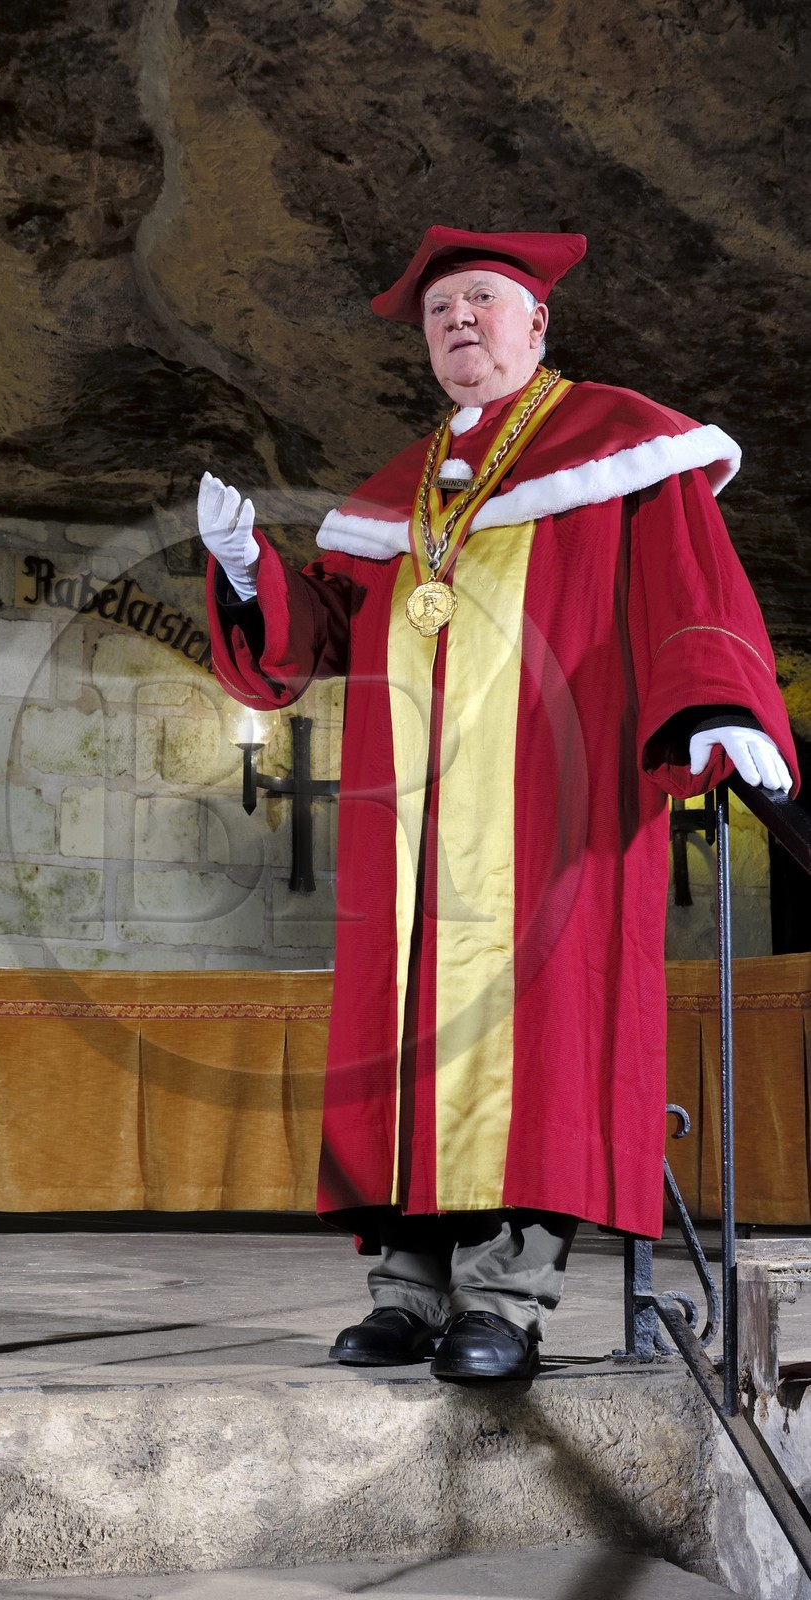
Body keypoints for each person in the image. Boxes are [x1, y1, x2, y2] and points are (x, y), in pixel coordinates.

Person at [197, 227, 797, 1381]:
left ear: (537, 322)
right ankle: (407, 1293)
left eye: (483, 300)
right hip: (410, 832)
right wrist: (244, 571)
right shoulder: (407, 487)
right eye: (439, 313)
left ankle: (507, 1299)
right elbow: (320, 632)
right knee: (407, 1040)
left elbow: (694, 587)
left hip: (553, 814)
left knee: (537, 1041)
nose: (460, 321)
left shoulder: (620, 448)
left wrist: (723, 704)